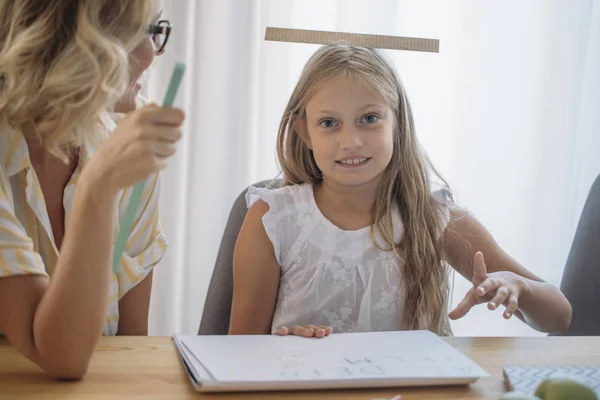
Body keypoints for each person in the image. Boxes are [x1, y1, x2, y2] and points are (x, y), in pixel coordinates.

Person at [229, 44, 572, 339]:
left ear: (398, 123)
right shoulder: (273, 219)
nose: (351, 141)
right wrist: (280, 349)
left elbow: (559, 317)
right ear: (304, 132)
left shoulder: (436, 218)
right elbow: (240, 352)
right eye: (329, 123)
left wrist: (520, 288)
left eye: (369, 118)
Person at [0, 1, 184, 379]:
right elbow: (60, 355)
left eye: (154, 30)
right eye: (132, 33)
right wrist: (98, 186)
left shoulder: (125, 139)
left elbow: (131, 341)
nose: (151, 53)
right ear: (63, 42)